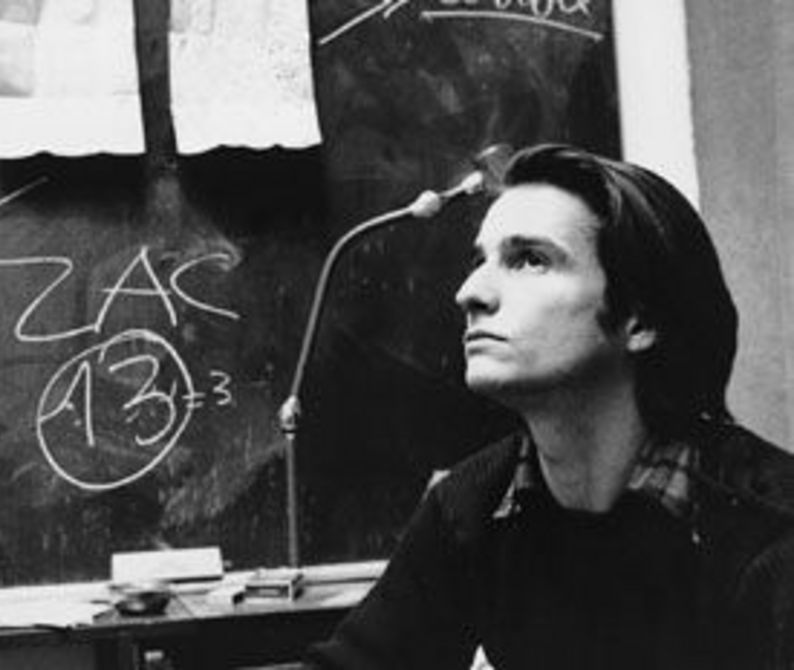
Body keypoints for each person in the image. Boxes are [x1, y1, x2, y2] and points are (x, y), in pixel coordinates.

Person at [308, 144, 794, 669]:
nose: (470, 293)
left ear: (640, 317)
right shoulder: (471, 506)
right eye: (480, 261)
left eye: (530, 260)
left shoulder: (770, 539)